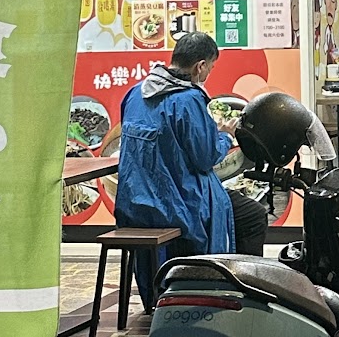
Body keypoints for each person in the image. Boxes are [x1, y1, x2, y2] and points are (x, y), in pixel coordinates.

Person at [115, 32, 269, 271]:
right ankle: (240, 283)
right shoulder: (188, 100)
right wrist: (225, 135)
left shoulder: (135, 93)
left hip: (134, 205)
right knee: (253, 215)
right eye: (211, 68)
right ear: (200, 66)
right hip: (177, 205)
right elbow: (206, 158)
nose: (208, 74)